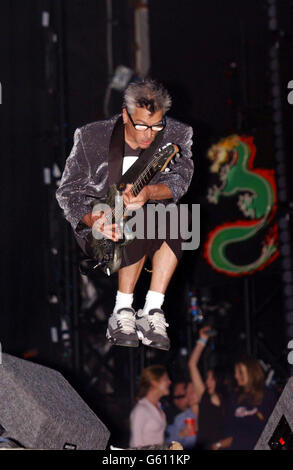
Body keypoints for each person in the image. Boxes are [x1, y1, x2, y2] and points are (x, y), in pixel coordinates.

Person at [56, 79, 194, 351]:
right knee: (142, 217)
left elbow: (180, 180)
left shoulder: (177, 133)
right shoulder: (91, 136)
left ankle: (152, 311)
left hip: (151, 222)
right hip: (99, 229)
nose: (149, 134)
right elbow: (68, 193)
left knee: (178, 216)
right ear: (125, 115)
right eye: (141, 125)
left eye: (156, 125)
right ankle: (121, 311)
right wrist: (93, 219)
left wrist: (149, 192)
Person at [215, 356, 278, 450]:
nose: (236, 376)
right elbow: (228, 429)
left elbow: (271, 429)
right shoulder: (234, 398)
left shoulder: (267, 396)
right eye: (235, 372)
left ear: (251, 372)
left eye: (240, 372)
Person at [188, 326, 227, 450]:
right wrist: (202, 340)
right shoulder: (205, 396)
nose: (207, 381)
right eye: (207, 378)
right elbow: (192, 364)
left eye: (211, 378)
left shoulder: (229, 400)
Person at [129, 365, 171, 448]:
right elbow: (135, 444)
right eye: (165, 379)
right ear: (154, 382)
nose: (169, 382)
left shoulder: (158, 407)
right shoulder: (141, 410)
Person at [165, 382, 199, 449]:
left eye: (192, 391)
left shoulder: (210, 413)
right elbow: (166, 443)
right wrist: (181, 434)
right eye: (187, 393)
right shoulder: (180, 418)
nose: (189, 395)